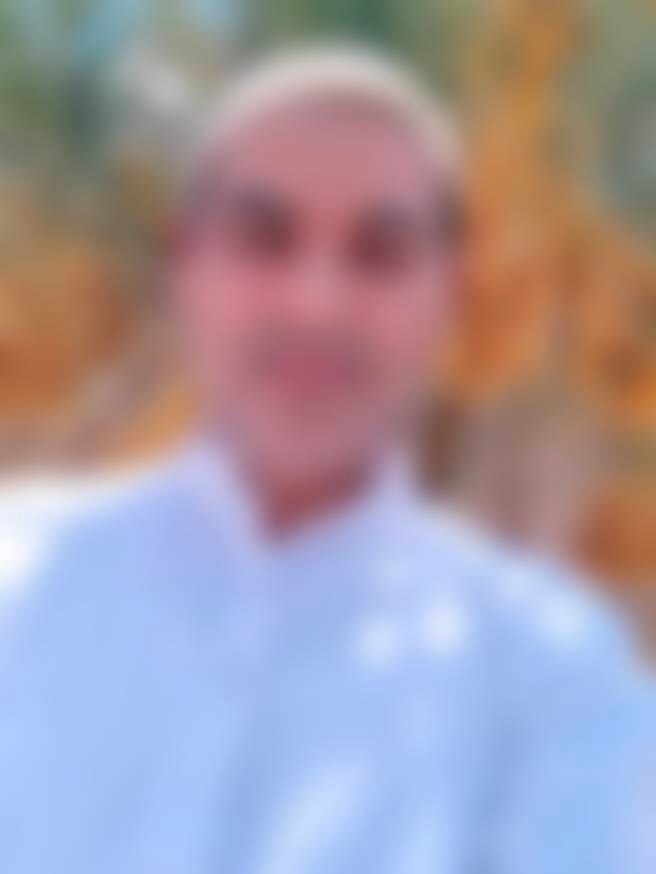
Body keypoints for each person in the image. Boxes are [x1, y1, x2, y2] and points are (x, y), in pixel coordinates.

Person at [0, 47, 653, 874]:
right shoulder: (17, 580)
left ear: (452, 292)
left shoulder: (551, 676)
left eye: (379, 251)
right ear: (184, 262)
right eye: (264, 237)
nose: (317, 303)